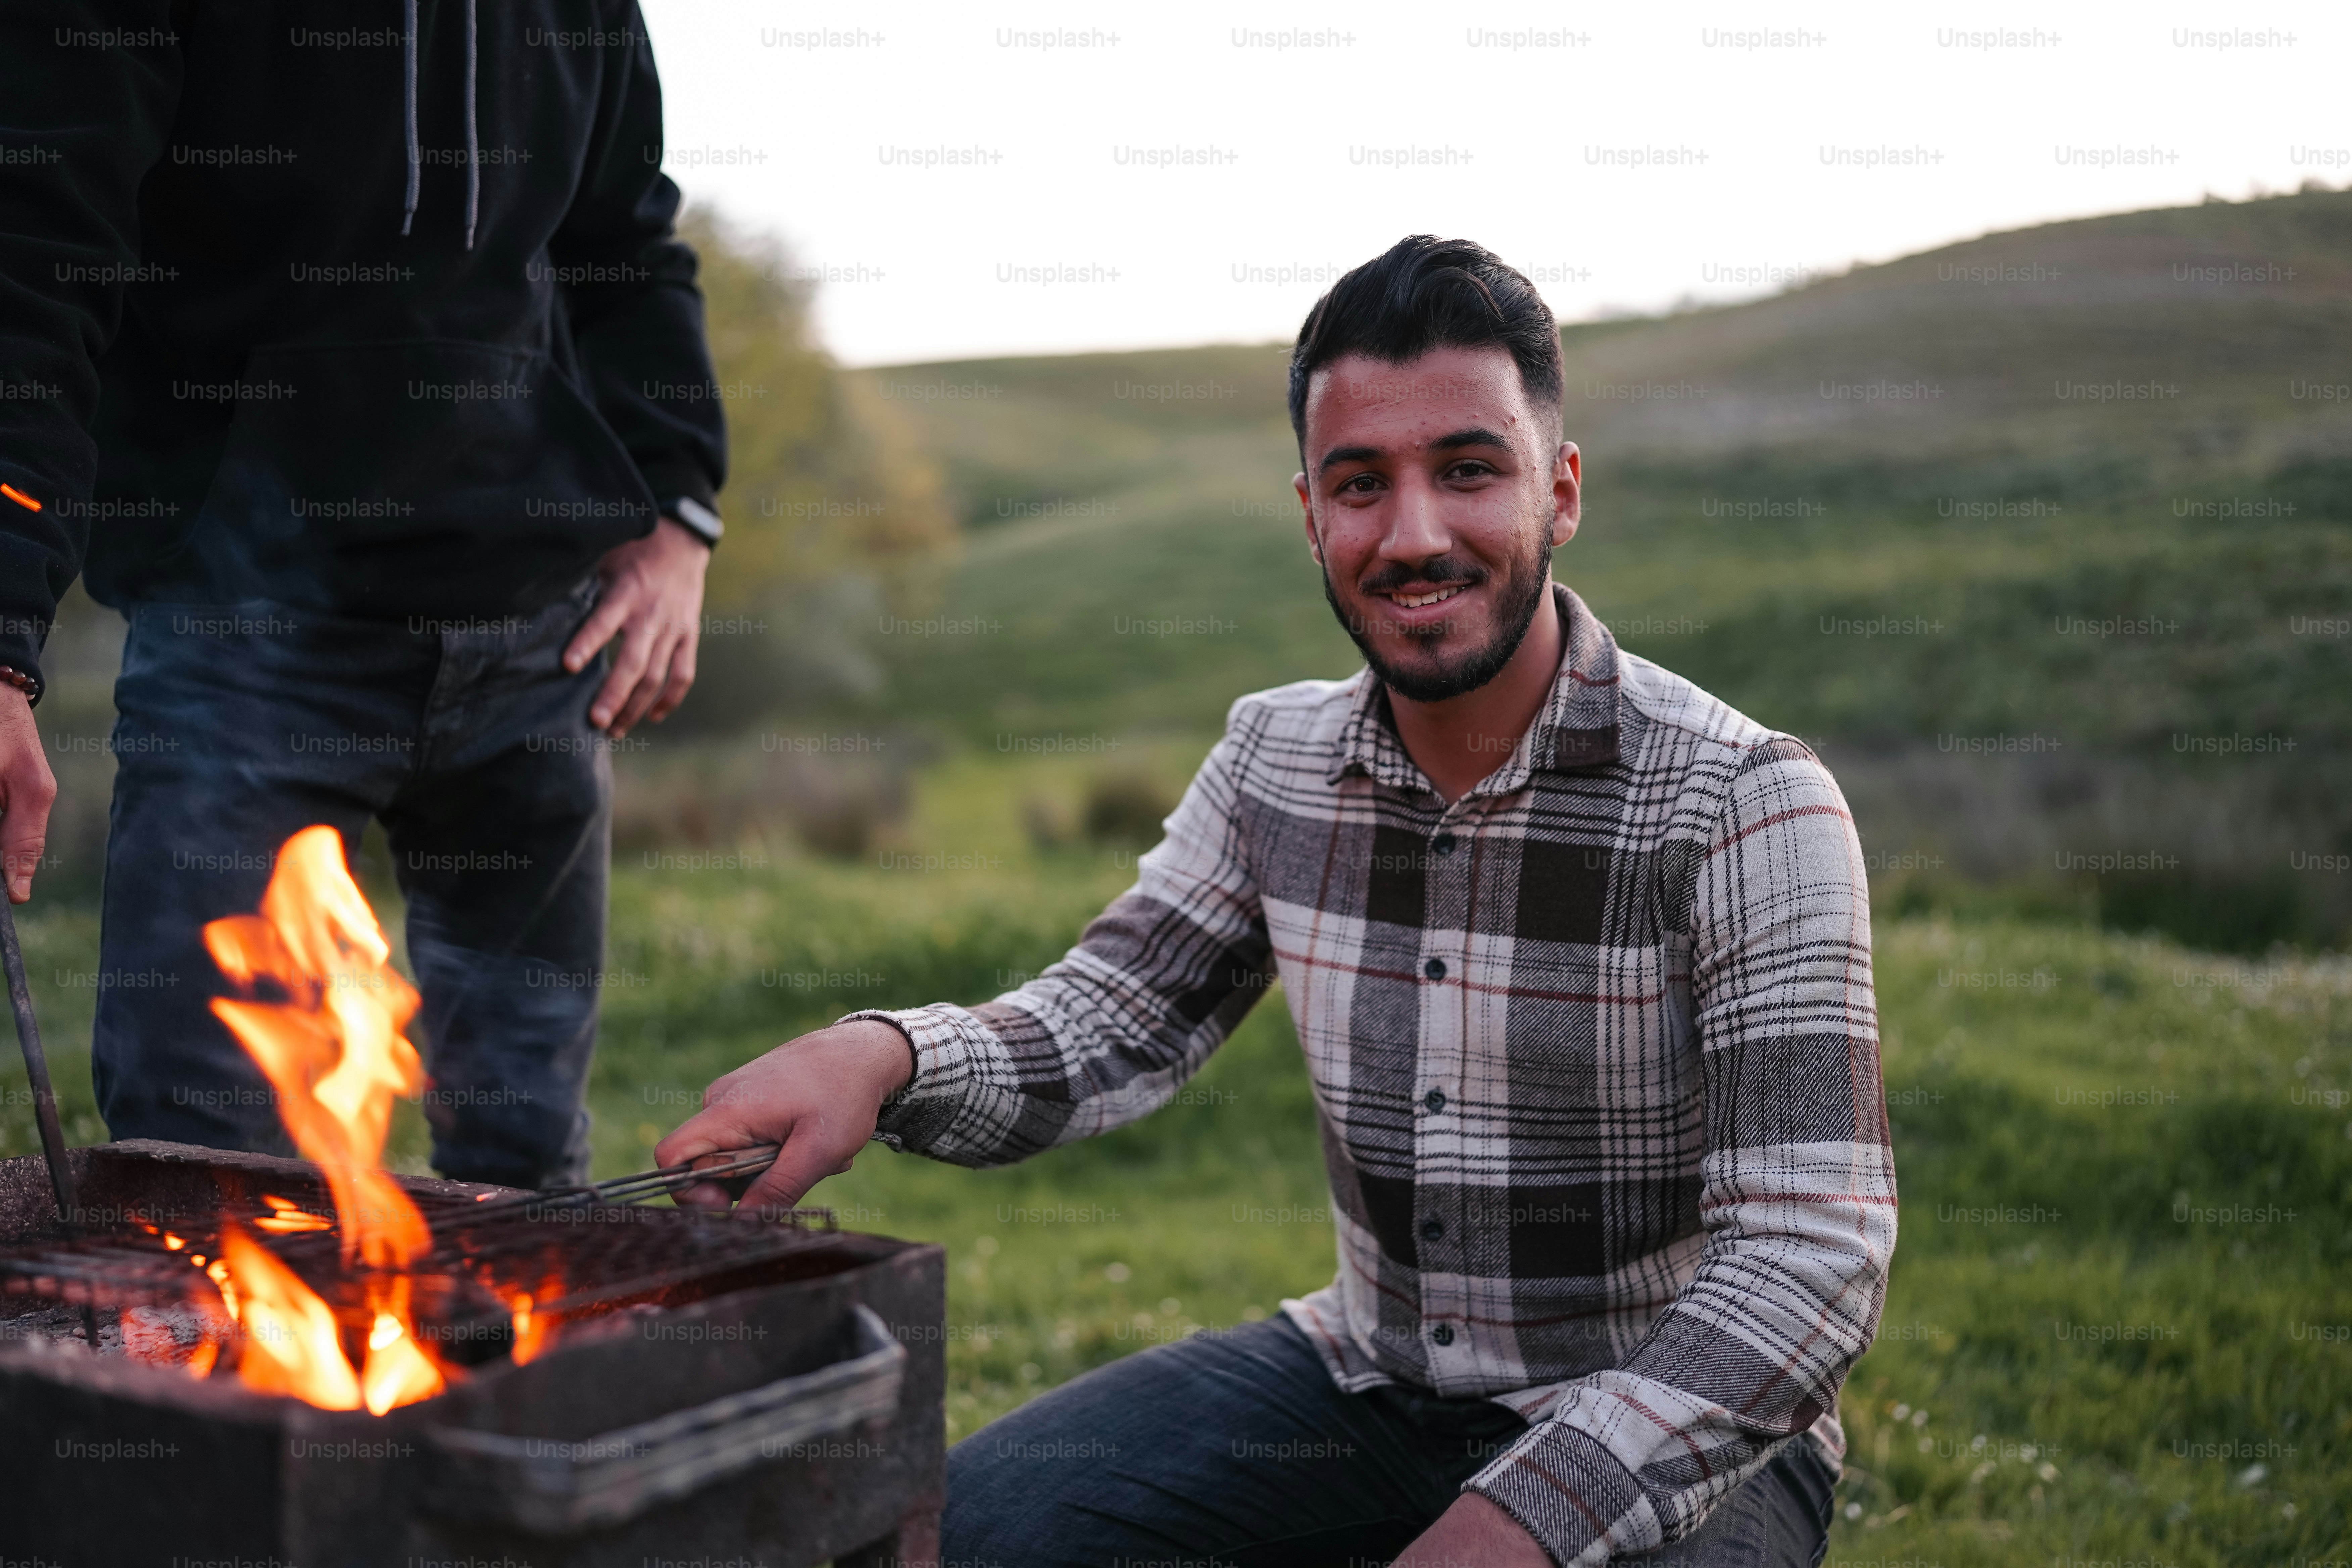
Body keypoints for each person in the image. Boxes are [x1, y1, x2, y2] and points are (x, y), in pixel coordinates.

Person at [658, 237, 1894, 1567]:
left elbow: (1804, 1262)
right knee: (956, 1537)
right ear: (1313, 514)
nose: (1413, 534)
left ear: (1563, 490)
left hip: (1667, 1417)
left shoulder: (1749, 800)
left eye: (1468, 471)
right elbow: (1106, 1022)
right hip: (1358, 1383)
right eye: (1362, 486)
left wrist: (1519, 1523)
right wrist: (881, 1054)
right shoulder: (1274, 758)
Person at [0, 3, 724, 1187]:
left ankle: (493, 1380)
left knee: (527, 1180)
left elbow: (627, 243)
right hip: (245, 646)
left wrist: (681, 506)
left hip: (542, 641)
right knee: (198, 1179)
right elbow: (30, 261)